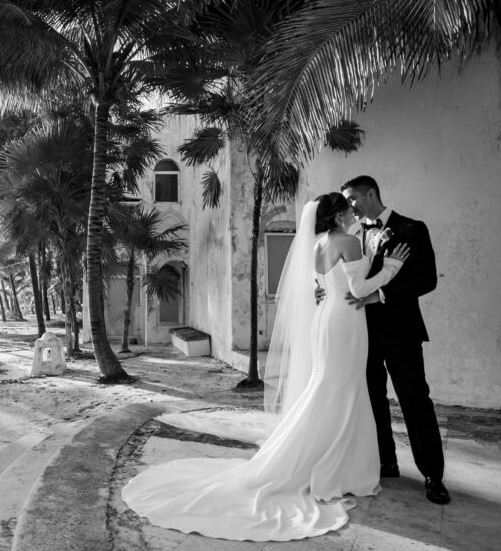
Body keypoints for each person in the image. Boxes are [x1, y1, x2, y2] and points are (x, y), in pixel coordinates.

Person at [121, 194, 410, 541]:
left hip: (326, 318)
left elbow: (315, 286)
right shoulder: (347, 241)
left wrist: (328, 290)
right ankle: (336, 467)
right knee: (341, 387)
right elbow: (359, 288)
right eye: (347, 209)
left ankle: (323, 457)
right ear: (337, 215)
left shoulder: (316, 243)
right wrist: (391, 266)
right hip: (346, 320)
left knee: (329, 384)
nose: (353, 213)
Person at [339, 175, 449, 505]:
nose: (350, 207)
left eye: (353, 199)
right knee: (373, 398)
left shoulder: (412, 228)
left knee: (415, 399)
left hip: (401, 330)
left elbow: (427, 279)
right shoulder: (354, 234)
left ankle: (433, 474)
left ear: (371, 193)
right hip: (363, 331)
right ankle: (386, 461)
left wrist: (381, 295)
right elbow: (346, 277)